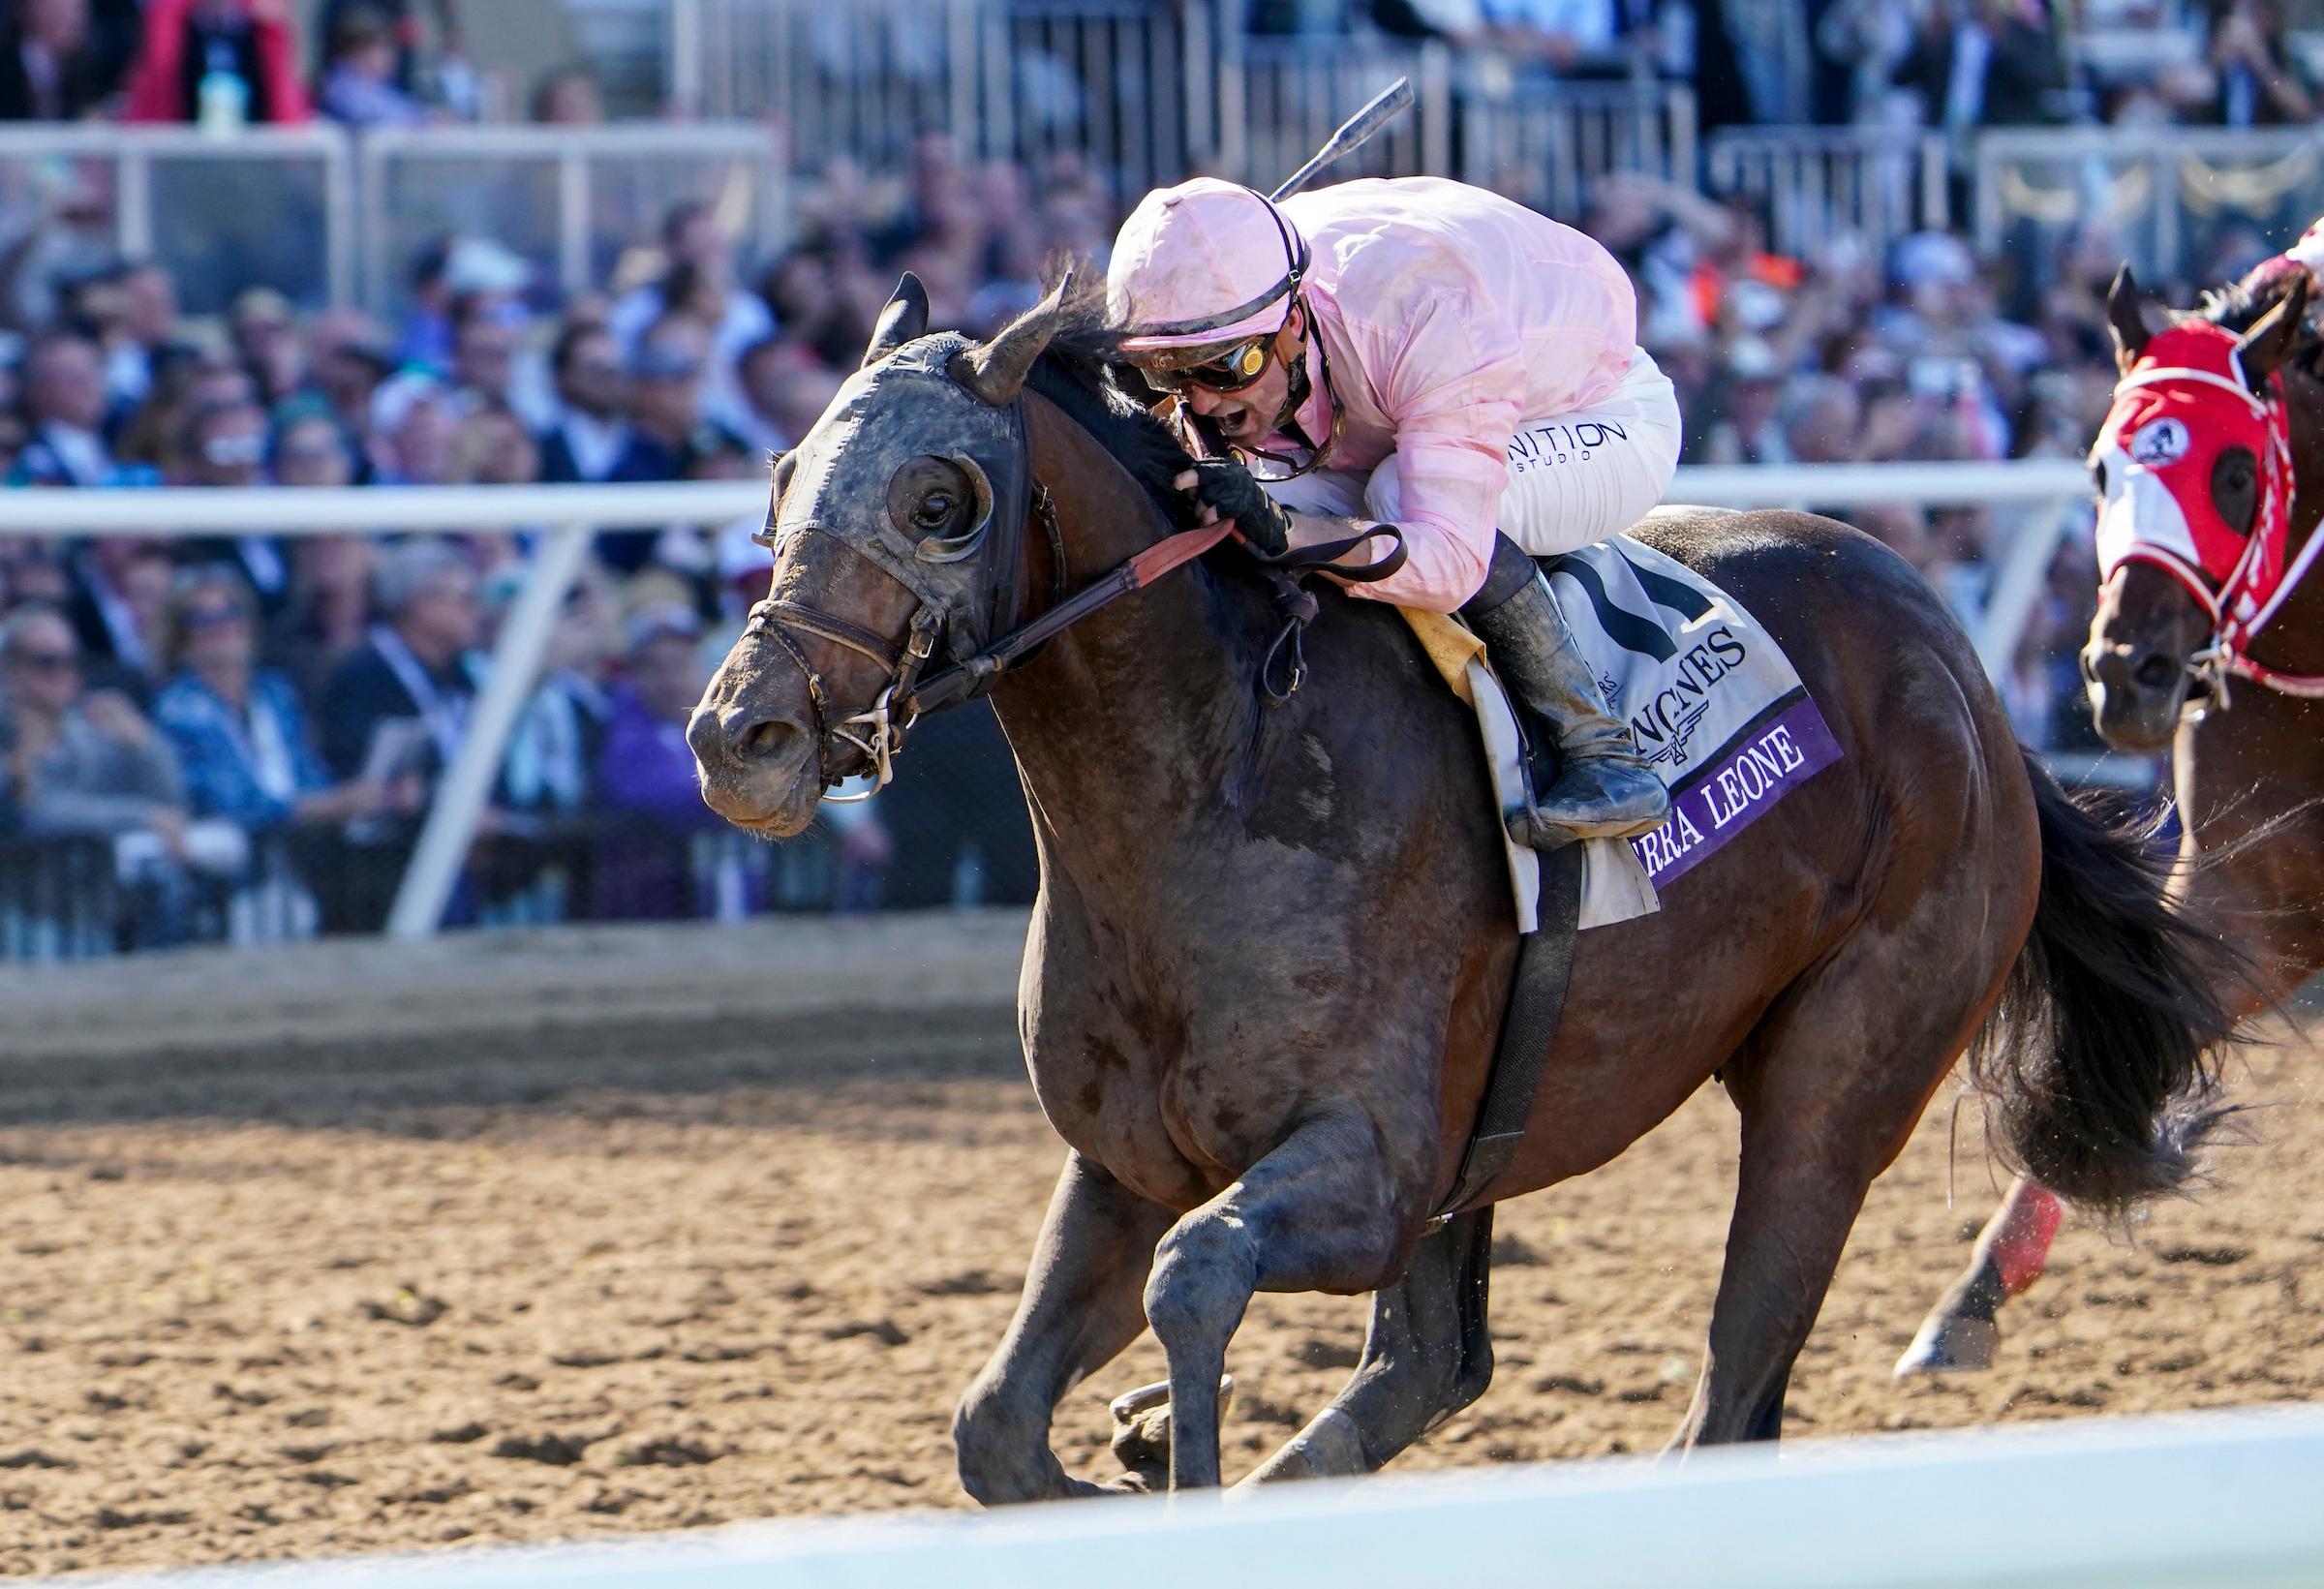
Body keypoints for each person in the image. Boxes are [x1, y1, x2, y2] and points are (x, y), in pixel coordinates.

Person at [1104, 175, 1674, 847]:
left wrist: (1290, 532)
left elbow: (1449, 559)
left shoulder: (1423, 310)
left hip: (1599, 412)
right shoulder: (1244, 282)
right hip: (1399, 415)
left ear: (1292, 325)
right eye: (1171, 372)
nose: (1201, 402)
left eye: (1224, 367)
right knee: (1232, 516)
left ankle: (1600, 751)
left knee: (1395, 496)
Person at [151, 567, 388, 846]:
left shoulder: (274, 692)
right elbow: (227, 805)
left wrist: (346, 799)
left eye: (231, 613)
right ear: (180, 639)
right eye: (203, 619)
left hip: (304, 844)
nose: (222, 627)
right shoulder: (177, 711)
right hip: (233, 852)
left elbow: (308, 772)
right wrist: (325, 806)